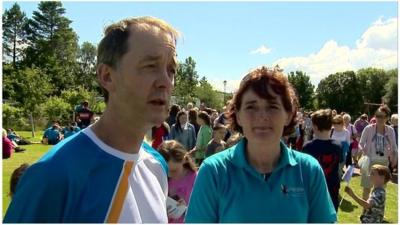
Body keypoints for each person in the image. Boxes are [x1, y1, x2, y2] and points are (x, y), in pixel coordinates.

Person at [4, 16, 180, 223]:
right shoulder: (53, 174)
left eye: (171, 70)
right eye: (150, 65)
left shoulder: (157, 165)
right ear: (107, 76)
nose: (166, 82)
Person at [185, 66, 336, 223]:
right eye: (251, 107)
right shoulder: (213, 172)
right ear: (238, 115)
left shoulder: (309, 170)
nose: (262, 116)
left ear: (288, 114)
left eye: (272, 106)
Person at [303, 109, 343, 211]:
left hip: (313, 190)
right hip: (332, 190)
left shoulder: (308, 147)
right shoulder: (338, 146)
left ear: (315, 126)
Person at [359, 105, 397, 200]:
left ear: (387, 118)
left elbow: (394, 147)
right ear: (375, 116)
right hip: (369, 162)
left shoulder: (390, 130)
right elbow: (361, 143)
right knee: (367, 189)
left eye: (383, 116)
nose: (380, 118)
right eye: (378, 116)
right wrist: (363, 151)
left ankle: (378, 213)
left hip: (384, 163)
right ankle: (365, 212)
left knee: (380, 190)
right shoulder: (368, 128)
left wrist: (395, 158)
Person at [158, 140, 197, 223]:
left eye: (173, 171)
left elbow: (203, 210)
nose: (169, 175)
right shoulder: (159, 178)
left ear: (184, 160)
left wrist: (185, 210)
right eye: (165, 170)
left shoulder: (197, 179)